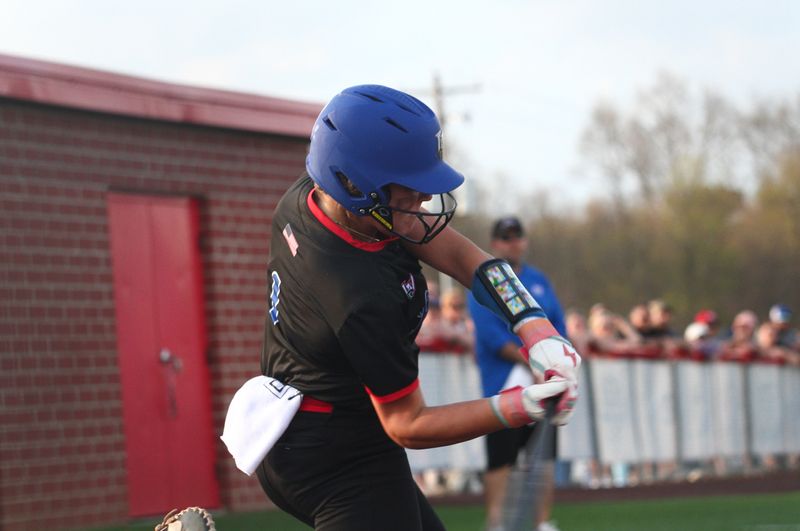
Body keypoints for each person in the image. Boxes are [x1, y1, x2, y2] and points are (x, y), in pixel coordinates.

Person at [254, 85, 581, 531]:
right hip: (337, 456)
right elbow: (408, 423)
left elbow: (463, 256)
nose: (424, 199)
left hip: (312, 428)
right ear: (353, 184)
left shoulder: (317, 196)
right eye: (409, 188)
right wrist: (520, 406)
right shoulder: (357, 291)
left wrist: (532, 323)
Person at [467, 216, 567, 531]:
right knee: (501, 458)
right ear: (495, 243)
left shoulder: (539, 280)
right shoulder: (485, 282)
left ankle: (542, 523)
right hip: (505, 382)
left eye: (517, 237)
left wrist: (557, 361)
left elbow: (558, 325)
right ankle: (496, 524)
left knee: (543, 457)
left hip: (541, 378)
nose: (513, 243)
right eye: (506, 238)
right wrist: (536, 360)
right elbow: (491, 336)